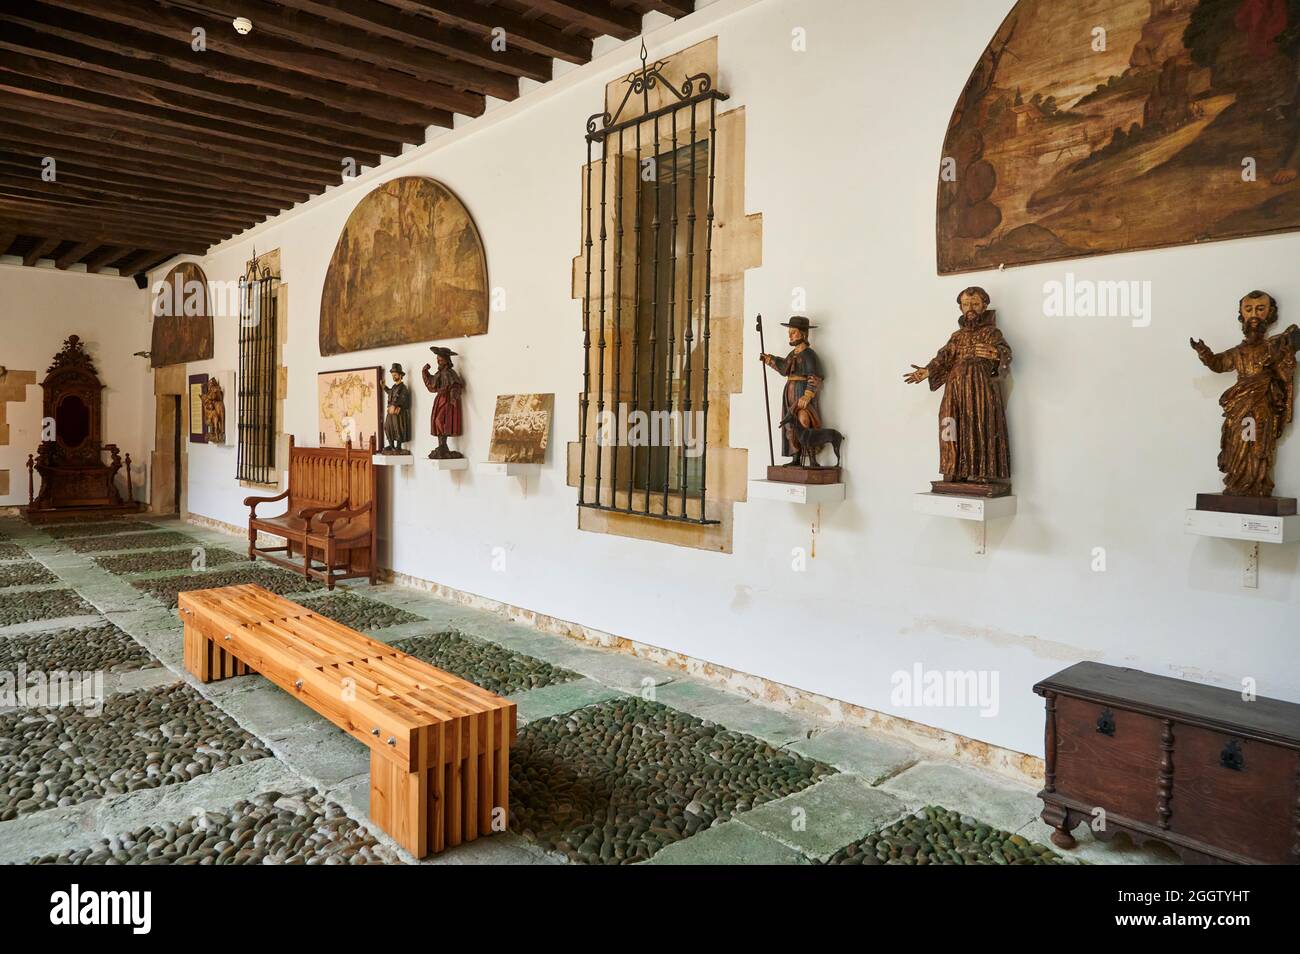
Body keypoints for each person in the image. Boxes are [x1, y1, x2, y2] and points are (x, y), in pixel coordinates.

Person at [1191, 291, 1300, 497]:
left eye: (1260, 309)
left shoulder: (1273, 348)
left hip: (1261, 404)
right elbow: (1219, 363)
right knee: (1237, 442)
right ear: (1241, 314)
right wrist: (1204, 353)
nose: (1254, 315)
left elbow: (1285, 374)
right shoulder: (1237, 352)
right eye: (1248, 309)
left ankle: (1257, 484)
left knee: (1259, 444)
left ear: (1270, 314)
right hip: (1238, 404)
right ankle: (1237, 481)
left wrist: (1287, 359)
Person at [904, 286, 1012, 487]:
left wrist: (996, 354)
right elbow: (943, 359)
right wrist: (926, 371)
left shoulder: (992, 333)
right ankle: (953, 468)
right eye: (966, 304)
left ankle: (982, 470)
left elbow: (1005, 353)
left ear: (984, 306)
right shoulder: (957, 336)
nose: (970, 308)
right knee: (949, 422)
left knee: (980, 425)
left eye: (975, 304)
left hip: (980, 388)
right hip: (955, 389)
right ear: (961, 308)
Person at [759, 316, 825, 465]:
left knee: (803, 420)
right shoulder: (792, 354)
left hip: (801, 394)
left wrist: (807, 395)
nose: (790, 335)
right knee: (790, 425)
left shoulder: (809, 355)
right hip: (789, 395)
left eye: (793, 332)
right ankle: (795, 458)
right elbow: (784, 368)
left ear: (803, 334)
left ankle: (812, 459)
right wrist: (769, 359)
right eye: (789, 332)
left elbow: (815, 376)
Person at [422, 347, 465, 459]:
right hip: (440, 399)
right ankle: (442, 445)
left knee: (441, 421)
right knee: (436, 422)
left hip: (447, 400)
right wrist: (425, 372)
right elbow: (432, 385)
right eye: (437, 359)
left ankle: (443, 446)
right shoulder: (439, 373)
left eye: (440, 360)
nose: (438, 362)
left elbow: (456, 385)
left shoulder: (450, 373)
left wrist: (453, 396)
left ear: (446, 360)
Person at [380, 363, 411, 453]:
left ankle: (398, 446)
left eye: (395, 375)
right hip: (390, 411)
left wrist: (396, 405)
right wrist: (384, 387)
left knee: (398, 428)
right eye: (393, 375)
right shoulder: (394, 387)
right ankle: (391, 445)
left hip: (398, 413)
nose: (394, 377)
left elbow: (404, 399)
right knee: (388, 427)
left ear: (400, 375)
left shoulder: (403, 388)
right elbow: (390, 392)